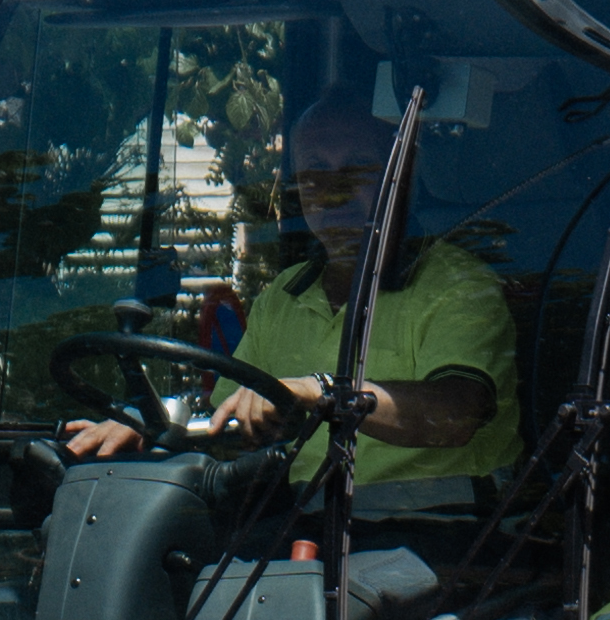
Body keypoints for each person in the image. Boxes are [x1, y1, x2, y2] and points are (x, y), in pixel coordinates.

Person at [61, 94, 519, 496]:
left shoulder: (459, 285)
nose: (333, 195)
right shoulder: (285, 292)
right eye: (315, 173)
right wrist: (143, 425)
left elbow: (457, 414)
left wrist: (318, 391)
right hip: (298, 527)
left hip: (443, 542)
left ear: (402, 180)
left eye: (357, 170)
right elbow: (226, 418)